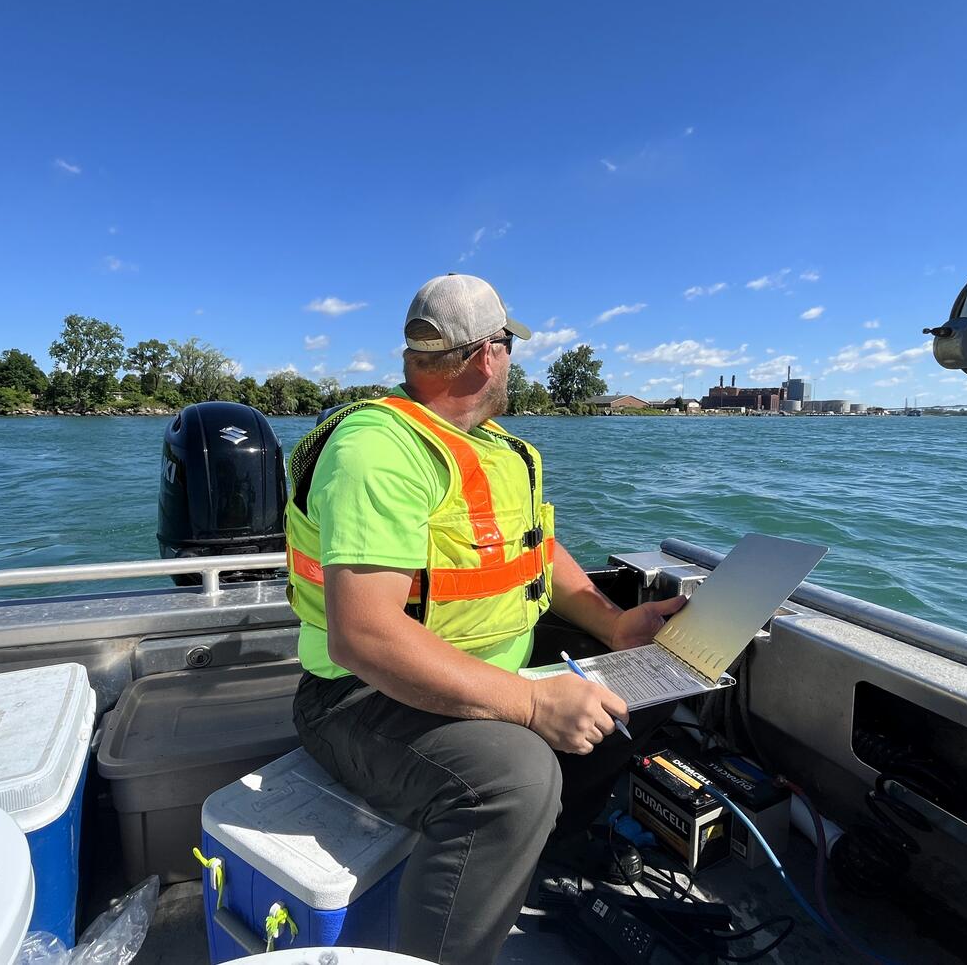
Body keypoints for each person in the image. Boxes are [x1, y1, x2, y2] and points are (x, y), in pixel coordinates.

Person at [286, 273, 685, 965]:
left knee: (648, 676)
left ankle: (535, 854)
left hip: (481, 665)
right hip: (357, 696)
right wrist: (531, 703)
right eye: (509, 345)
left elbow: (537, 549)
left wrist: (617, 628)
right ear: (485, 356)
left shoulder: (495, 446)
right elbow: (364, 636)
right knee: (516, 778)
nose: (512, 360)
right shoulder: (377, 451)